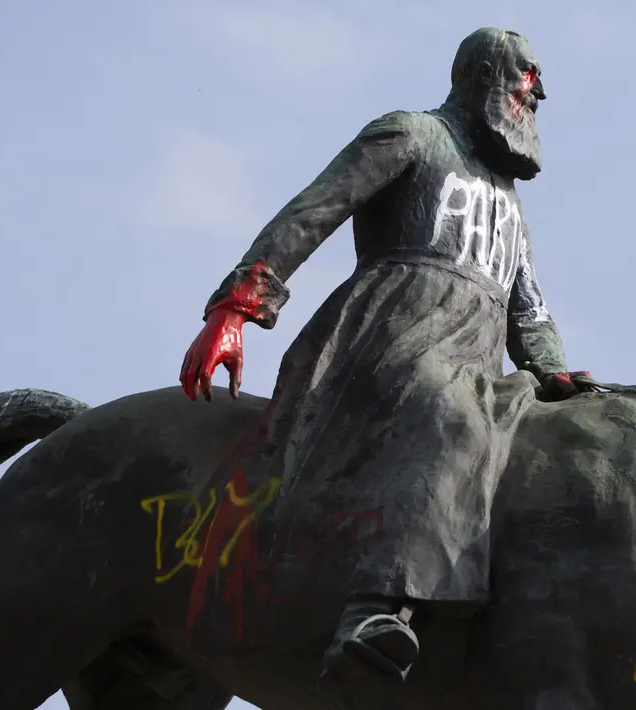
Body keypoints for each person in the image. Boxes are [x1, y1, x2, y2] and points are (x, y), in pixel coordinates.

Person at [178, 27, 591, 682]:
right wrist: (236, 310)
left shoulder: (509, 206)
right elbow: (313, 211)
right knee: (451, 411)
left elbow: (527, 306)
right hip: (389, 340)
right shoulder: (412, 134)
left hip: (475, 365)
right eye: (527, 74)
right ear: (486, 73)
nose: (537, 90)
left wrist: (552, 369)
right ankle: (373, 607)